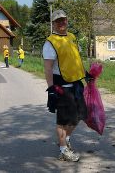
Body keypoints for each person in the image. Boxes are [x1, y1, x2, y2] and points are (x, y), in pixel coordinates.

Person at [43, 10, 92, 162]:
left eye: (63, 19)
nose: (62, 22)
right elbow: (48, 68)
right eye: (58, 21)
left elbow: (76, 59)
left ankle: (66, 139)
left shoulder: (72, 37)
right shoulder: (50, 42)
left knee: (80, 115)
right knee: (63, 120)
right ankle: (63, 150)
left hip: (76, 83)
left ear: (67, 20)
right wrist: (51, 90)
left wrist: (85, 73)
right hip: (62, 85)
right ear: (53, 24)